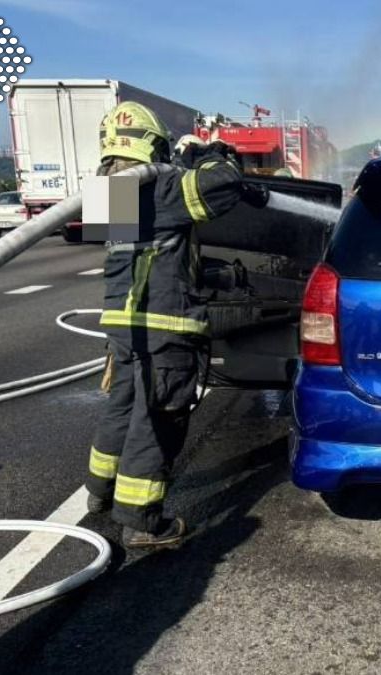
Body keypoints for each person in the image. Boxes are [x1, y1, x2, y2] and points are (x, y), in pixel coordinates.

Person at [85, 101, 268, 550]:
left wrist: (208, 274)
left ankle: (99, 494)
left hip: (124, 324)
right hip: (163, 328)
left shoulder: (106, 192)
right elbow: (224, 185)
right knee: (158, 419)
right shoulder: (162, 188)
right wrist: (214, 152)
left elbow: (154, 251)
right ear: (152, 144)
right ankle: (142, 522)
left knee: (123, 408)